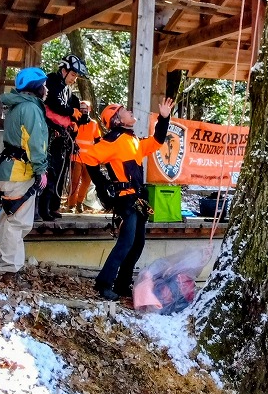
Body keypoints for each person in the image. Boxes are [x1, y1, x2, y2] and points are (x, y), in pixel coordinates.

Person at [82, 97, 174, 300]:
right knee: (126, 242)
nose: (130, 111)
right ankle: (104, 283)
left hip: (138, 198)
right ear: (116, 119)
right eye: (124, 110)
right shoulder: (112, 139)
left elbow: (157, 141)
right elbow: (88, 157)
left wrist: (164, 118)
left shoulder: (133, 140)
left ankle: (123, 283)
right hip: (125, 200)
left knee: (137, 243)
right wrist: (102, 184)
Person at [0, 67, 49, 280]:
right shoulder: (31, 109)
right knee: (18, 222)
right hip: (19, 173)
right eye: (43, 84)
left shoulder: (16, 106)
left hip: (7, 170)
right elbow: (35, 143)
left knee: (7, 219)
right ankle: (9, 270)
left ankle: (1, 262)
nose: (46, 89)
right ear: (36, 87)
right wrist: (41, 170)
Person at [39, 54, 88, 221]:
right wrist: (70, 111)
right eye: (73, 75)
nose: (74, 79)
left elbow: (74, 105)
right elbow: (53, 102)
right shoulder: (51, 81)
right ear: (64, 70)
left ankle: (54, 206)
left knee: (61, 171)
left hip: (63, 136)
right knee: (50, 172)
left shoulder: (68, 90)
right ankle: (43, 209)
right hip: (50, 132)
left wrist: (80, 116)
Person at [66, 100, 101, 213]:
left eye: (85, 108)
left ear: (89, 109)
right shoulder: (74, 122)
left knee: (86, 182)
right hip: (76, 157)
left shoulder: (94, 124)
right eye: (81, 108)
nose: (83, 110)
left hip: (90, 159)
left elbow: (98, 140)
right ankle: (71, 205)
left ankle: (80, 203)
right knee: (75, 182)